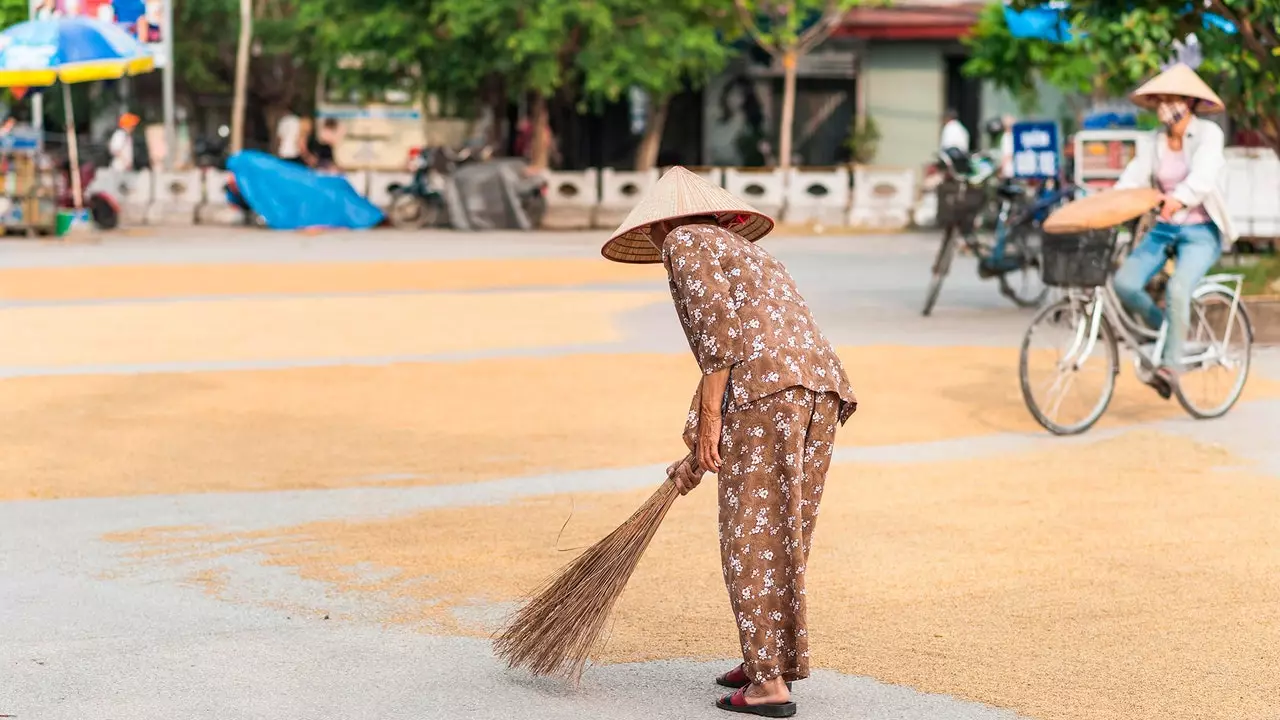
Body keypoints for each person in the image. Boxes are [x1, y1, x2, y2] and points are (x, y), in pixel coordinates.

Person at [600, 167, 858, 718]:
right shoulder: (743, 250)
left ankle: (767, 686)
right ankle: (767, 658)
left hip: (766, 393)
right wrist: (700, 435)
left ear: (658, 223)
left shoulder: (683, 242)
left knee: (750, 533)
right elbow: (746, 338)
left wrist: (713, 416)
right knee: (782, 529)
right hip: (819, 390)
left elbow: (719, 339)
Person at [1112, 63, 1236, 392]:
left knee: (1178, 288)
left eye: (1174, 98)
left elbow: (1204, 177)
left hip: (1201, 232)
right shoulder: (1153, 141)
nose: (1166, 106)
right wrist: (1108, 202)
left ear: (1190, 103)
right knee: (1124, 283)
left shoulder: (1209, 134)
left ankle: (1170, 367)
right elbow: (1133, 178)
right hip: (1164, 228)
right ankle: (1168, 332)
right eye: (1162, 99)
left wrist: (1178, 199)